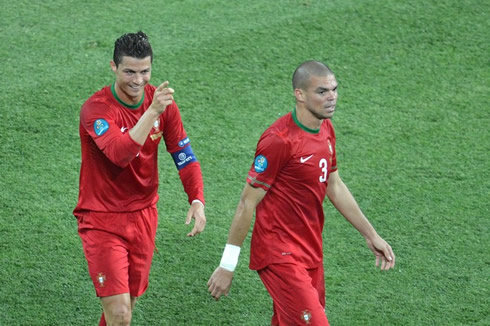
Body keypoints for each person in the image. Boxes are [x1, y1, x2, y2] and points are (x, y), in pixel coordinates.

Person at [207, 61, 395, 326]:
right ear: (299, 94)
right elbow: (246, 203)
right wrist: (227, 265)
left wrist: (370, 234)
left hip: (310, 249)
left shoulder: (326, 129)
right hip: (279, 253)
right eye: (322, 91)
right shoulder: (279, 140)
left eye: (334, 89)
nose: (332, 97)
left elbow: (334, 185)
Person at [73, 31, 206, 326]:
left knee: (125, 308)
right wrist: (153, 111)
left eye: (145, 71)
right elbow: (121, 154)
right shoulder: (96, 110)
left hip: (144, 216)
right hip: (102, 218)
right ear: (113, 67)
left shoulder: (161, 103)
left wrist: (196, 198)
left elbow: (184, 156)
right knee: (120, 314)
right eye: (129, 71)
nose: (138, 80)